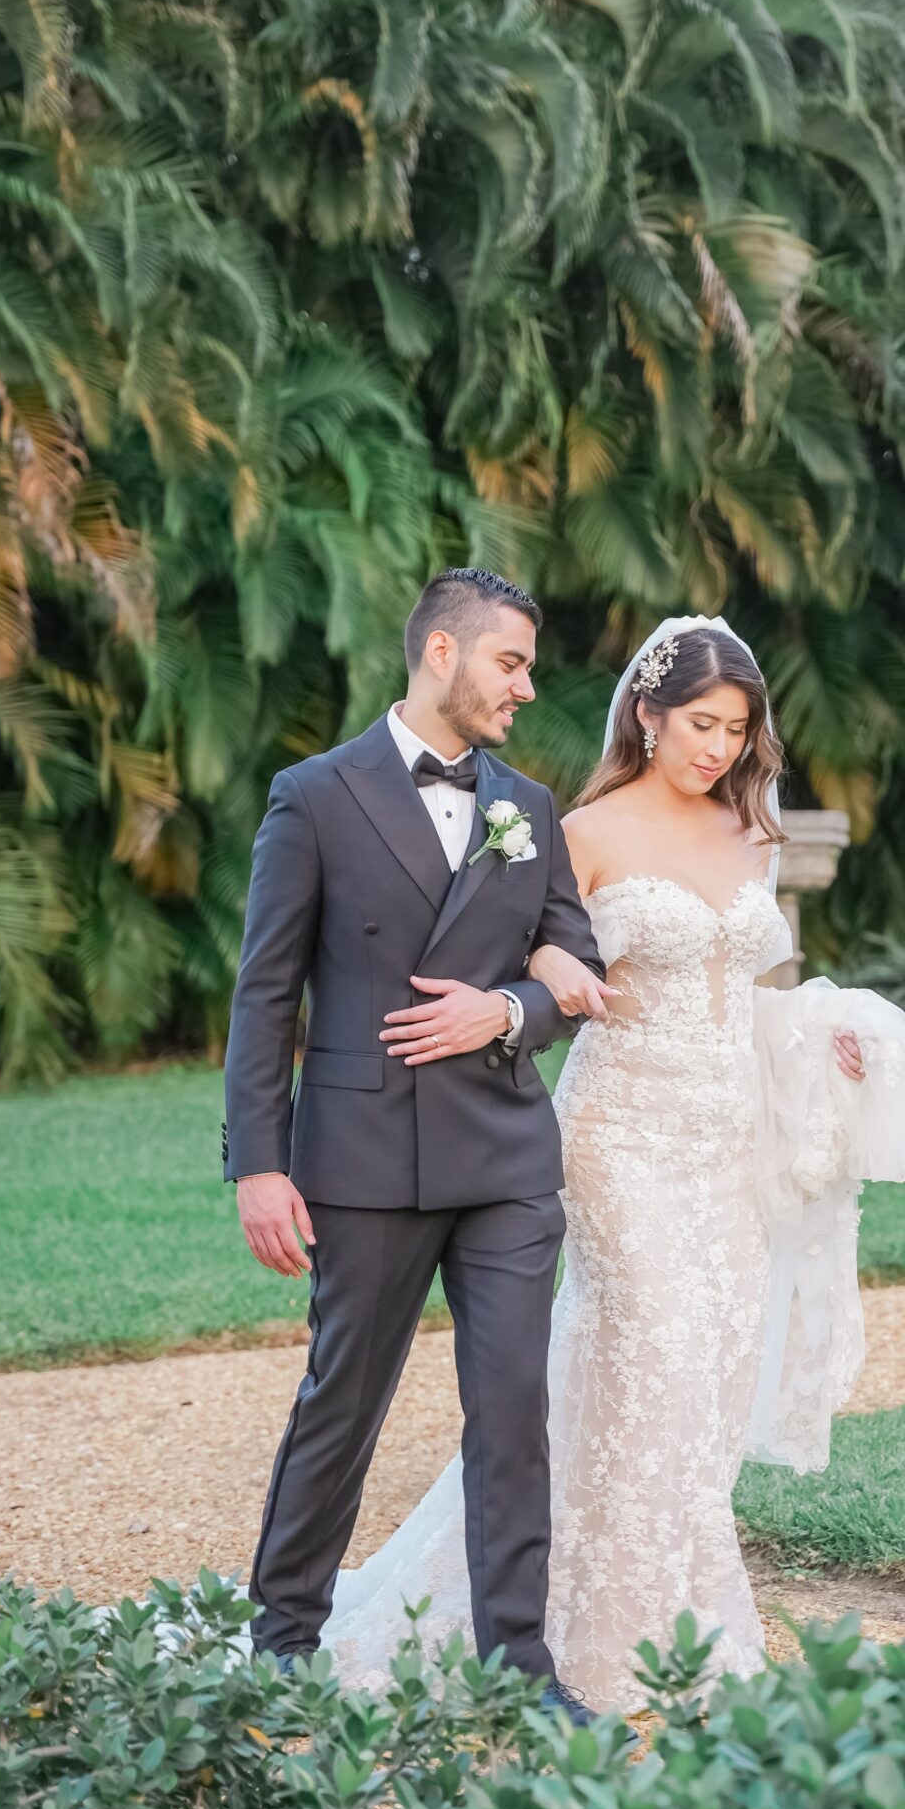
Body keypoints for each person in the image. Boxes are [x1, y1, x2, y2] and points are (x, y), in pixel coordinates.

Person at [323, 615, 905, 1713]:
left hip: (725, 1136)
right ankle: (594, 1646)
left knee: (701, 1370)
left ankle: (651, 1620)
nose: (720, 747)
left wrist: (819, 1035)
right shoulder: (581, 828)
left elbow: (740, 996)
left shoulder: (751, 833)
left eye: (738, 729)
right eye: (702, 723)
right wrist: (516, 989)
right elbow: (524, 954)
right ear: (646, 713)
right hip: (619, 1133)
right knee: (646, 1341)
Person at [222, 566, 609, 1718]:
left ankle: (519, 1674)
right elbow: (264, 994)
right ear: (441, 653)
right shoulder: (315, 796)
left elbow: (572, 962)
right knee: (343, 1402)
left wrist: (508, 1011)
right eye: (510, 662)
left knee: (511, 1410)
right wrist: (258, 1161)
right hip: (362, 1159)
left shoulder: (529, 808)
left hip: (502, 1158)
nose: (526, 687)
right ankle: (282, 1645)